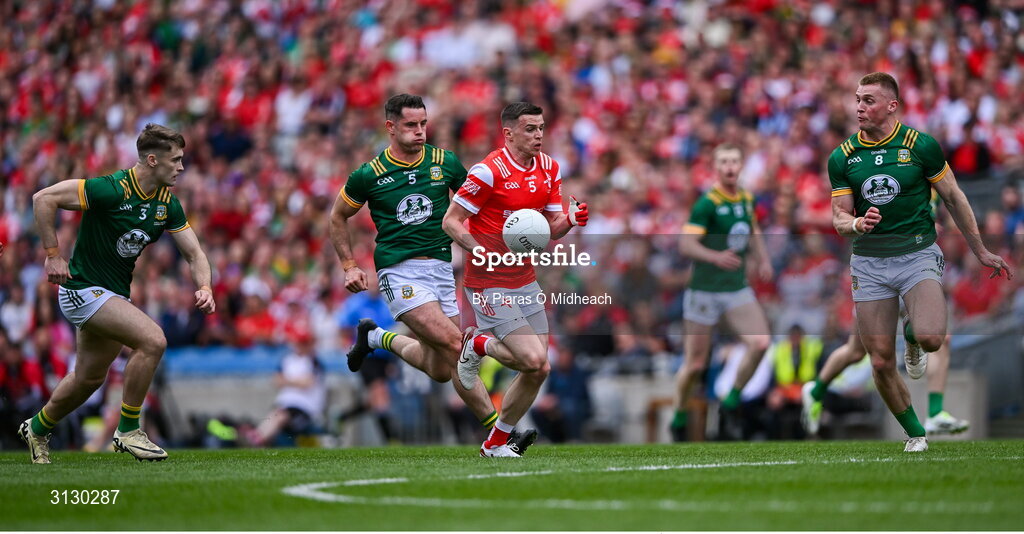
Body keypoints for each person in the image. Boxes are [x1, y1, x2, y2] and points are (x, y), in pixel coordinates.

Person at [331, 94, 537, 456]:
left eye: (423, 123)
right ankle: (499, 438)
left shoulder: (445, 162)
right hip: (400, 272)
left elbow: (473, 205)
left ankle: (376, 337)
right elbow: (337, 217)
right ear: (390, 127)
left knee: (442, 368)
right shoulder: (370, 174)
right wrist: (349, 265)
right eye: (411, 125)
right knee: (459, 346)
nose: (420, 131)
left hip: (442, 271)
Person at [826, 72, 1013, 452]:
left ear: (892, 106)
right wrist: (857, 223)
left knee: (930, 337)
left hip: (916, 253)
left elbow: (955, 198)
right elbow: (838, 216)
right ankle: (915, 433)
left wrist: (979, 250)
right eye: (857, 99)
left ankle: (911, 337)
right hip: (869, 261)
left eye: (869, 100)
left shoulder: (920, 146)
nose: (859, 107)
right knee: (879, 361)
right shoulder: (843, 156)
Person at [20, 123, 216, 464]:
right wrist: (53, 256)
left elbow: (194, 254)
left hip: (111, 295)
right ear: (153, 160)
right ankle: (128, 430)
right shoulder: (110, 189)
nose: (182, 167)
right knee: (153, 340)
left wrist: (205, 286)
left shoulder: (166, 203)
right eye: (177, 160)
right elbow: (43, 199)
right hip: (81, 290)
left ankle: (36, 428)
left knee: (89, 378)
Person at [442, 101, 589, 457]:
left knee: (540, 368)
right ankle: (477, 345)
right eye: (530, 129)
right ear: (508, 133)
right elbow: (451, 221)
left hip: (524, 279)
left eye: (541, 128)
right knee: (533, 360)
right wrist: (479, 250)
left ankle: (494, 444)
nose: (538, 135)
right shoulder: (487, 171)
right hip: (488, 280)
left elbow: (550, 231)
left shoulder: (550, 168)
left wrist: (570, 217)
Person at [669, 143, 773, 442]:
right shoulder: (707, 203)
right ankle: (679, 415)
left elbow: (753, 229)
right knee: (695, 365)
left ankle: (730, 403)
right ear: (716, 167)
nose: (729, 167)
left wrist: (762, 258)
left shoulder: (746, 198)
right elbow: (686, 245)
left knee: (761, 343)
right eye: (724, 162)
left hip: (735, 287)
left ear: (741, 166)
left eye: (734, 161)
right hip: (703, 291)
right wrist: (716, 257)